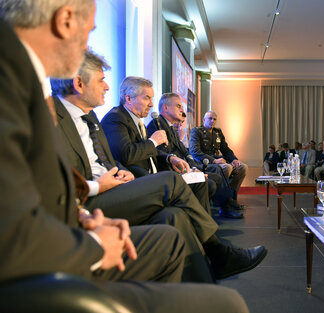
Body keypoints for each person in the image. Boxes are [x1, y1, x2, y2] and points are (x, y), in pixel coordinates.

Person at [0, 1, 250, 312]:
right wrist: (91, 238)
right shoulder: (17, 87)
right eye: (88, 32)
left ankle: (211, 270)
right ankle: (217, 255)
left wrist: (84, 216)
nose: (86, 47)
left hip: (80, 218)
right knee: (228, 305)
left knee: (171, 224)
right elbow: (16, 229)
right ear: (65, 20)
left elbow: (45, 186)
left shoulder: (35, 89)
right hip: (44, 270)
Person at [51, 52, 266, 282]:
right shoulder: (51, 118)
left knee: (174, 216)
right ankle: (219, 251)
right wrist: (96, 185)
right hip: (88, 202)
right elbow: (54, 183)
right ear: (79, 83)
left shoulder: (90, 117)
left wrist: (119, 168)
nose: (106, 87)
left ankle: (204, 285)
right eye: (101, 80)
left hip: (115, 187)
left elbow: (110, 159)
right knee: (171, 182)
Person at [125, 90, 244, 218]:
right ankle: (216, 212)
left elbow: (184, 152)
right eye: (178, 106)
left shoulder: (169, 126)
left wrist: (193, 167)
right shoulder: (157, 124)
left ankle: (224, 206)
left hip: (184, 167)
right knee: (212, 178)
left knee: (216, 174)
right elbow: (160, 154)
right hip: (172, 171)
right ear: (165, 107)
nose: (182, 110)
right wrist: (190, 168)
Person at [190, 111, 248, 200]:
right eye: (210, 118)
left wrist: (234, 159)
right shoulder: (197, 131)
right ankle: (220, 199)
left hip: (218, 160)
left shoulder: (217, 132)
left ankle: (232, 196)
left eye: (214, 119)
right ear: (204, 119)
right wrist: (214, 160)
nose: (212, 121)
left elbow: (225, 149)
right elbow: (195, 152)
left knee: (242, 167)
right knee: (227, 167)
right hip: (205, 163)